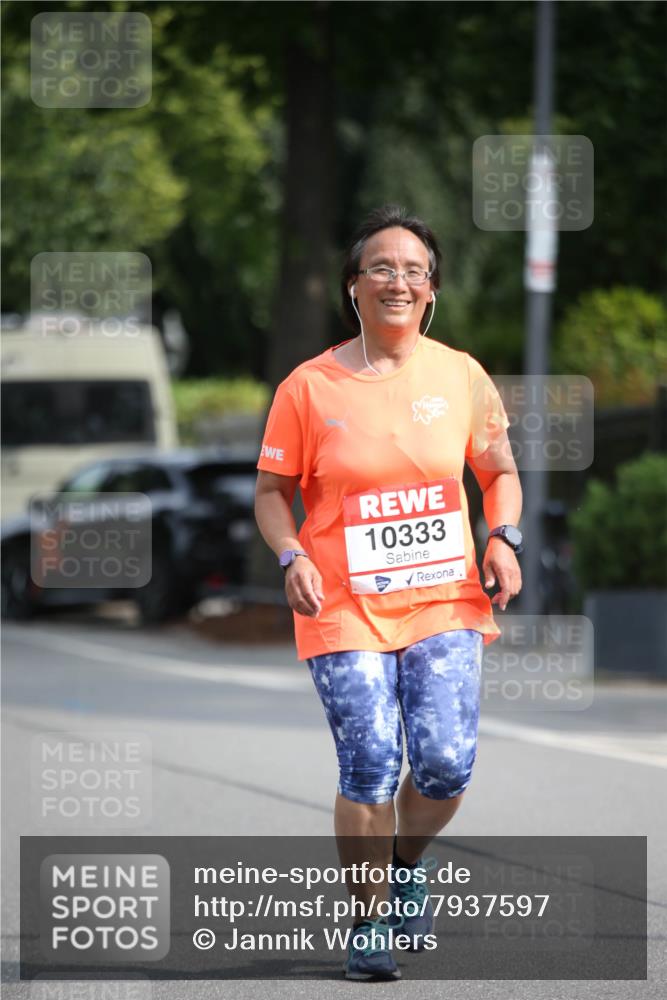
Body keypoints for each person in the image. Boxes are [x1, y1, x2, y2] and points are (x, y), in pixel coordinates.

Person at [254, 205, 522, 981]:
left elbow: (498, 472)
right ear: (353, 288)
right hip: (341, 604)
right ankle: (367, 921)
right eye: (381, 267)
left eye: (413, 270)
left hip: (442, 600)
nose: (397, 281)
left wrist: (501, 537)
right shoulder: (308, 386)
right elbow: (271, 492)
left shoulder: (461, 374)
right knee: (370, 760)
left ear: (430, 291)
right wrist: (289, 554)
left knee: (442, 764)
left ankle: (405, 863)